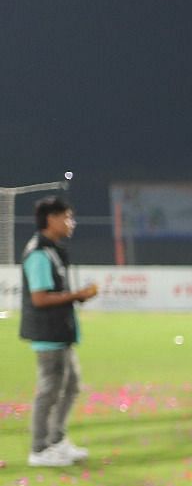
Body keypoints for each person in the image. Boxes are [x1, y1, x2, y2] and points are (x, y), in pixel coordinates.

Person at [19, 196, 98, 468]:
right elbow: (40, 298)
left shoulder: (52, 249)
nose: (71, 223)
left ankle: (56, 440)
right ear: (51, 219)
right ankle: (39, 449)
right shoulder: (39, 252)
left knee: (72, 385)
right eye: (67, 217)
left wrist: (76, 297)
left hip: (59, 332)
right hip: (48, 333)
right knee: (49, 390)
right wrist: (76, 295)